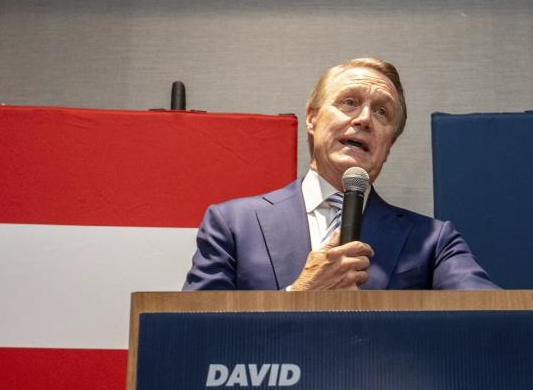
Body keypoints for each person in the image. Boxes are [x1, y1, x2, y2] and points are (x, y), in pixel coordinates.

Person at [182, 57, 497, 291]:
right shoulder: (233, 225)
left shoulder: (432, 241)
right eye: (350, 102)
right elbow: (195, 337)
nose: (363, 119)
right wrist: (299, 296)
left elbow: (496, 319)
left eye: (381, 112)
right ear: (312, 119)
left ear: (389, 143)